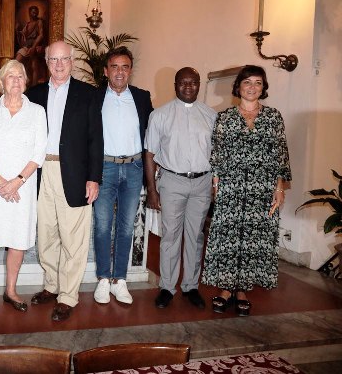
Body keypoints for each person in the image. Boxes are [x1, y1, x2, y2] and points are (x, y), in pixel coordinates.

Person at [202, 65, 291, 316]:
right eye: (247, 82)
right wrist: (216, 187)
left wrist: (280, 188)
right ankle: (225, 289)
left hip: (262, 189)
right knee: (228, 238)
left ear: (263, 88)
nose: (252, 87)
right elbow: (217, 155)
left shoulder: (273, 117)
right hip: (231, 188)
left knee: (254, 239)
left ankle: (242, 290)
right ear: (238, 86)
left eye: (258, 82)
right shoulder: (225, 117)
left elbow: (280, 154)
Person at [26, 41, 103, 322]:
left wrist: (93, 178)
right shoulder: (33, 94)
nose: (59, 65)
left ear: (72, 61)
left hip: (75, 174)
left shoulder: (88, 94)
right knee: (46, 234)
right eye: (53, 60)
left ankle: (68, 296)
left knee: (74, 239)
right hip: (40, 171)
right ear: (46, 62)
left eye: (64, 59)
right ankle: (52, 284)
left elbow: (96, 139)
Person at [0, 60, 47, 315]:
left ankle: (11, 290)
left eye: (20, 76)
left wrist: (16, 182)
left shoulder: (37, 112)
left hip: (22, 187)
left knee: (18, 238)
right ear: (1, 83)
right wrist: (0, 183)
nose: (16, 80)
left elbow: (38, 153)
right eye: (10, 76)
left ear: (26, 82)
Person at [144, 67, 216, 310]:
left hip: (202, 182)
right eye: (183, 82)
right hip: (172, 181)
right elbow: (150, 154)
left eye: (193, 82)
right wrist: (152, 190)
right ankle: (167, 287)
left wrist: (215, 184)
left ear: (199, 85)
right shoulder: (160, 115)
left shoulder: (210, 116)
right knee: (171, 235)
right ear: (175, 85)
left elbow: (217, 153)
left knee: (195, 236)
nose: (188, 87)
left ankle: (191, 286)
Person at [92, 47, 153, 305]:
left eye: (125, 67)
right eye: (114, 67)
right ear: (106, 71)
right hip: (104, 168)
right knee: (103, 225)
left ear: (130, 71)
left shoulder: (142, 97)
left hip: (134, 168)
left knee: (127, 226)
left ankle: (120, 280)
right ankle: (103, 279)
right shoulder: (94, 97)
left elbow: (152, 133)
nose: (120, 72)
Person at [15, 5, 47, 86]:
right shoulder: (27, 24)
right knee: (17, 61)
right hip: (27, 46)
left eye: (36, 12)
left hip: (35, 46)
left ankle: (34, 87)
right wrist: (17, 31)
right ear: (29, 13)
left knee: (34, 66)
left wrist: (33, 47)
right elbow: (22, 38)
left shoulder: (39, 22)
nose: (35, 14)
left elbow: (41, 35)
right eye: (33, 12)